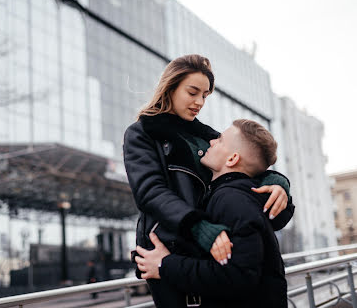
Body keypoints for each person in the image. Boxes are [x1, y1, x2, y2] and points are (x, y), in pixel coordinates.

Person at [123, 55, 294, 308]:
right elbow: (150, 192)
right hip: (171, 250)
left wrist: (278, 182)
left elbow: (245, 164)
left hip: (213, 254)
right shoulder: (143, 134)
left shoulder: (209, 137)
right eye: (193, 92)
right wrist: (198, 227)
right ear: (170, 87)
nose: (200, 102)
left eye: (205, 95)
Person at [135, 119, 290, 308]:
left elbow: (238, 276)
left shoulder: (231, 200)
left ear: (232, 159)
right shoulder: (236, 195)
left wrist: (165, 265)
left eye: (220, 140)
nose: (211, 142)